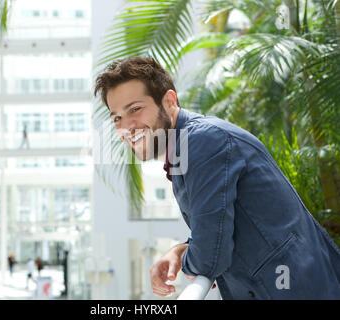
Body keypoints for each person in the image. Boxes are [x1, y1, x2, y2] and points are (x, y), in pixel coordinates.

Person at [94, 56, 340, 299]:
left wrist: (194, 257)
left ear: (169, 101)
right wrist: (183, 250)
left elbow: (209, 257)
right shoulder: (186, 149)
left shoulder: (202, 142)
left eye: (135, 109)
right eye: (117, 118)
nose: (127, 126)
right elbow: (224, 223)